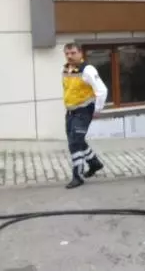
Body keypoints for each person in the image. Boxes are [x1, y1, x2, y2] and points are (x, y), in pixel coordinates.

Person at [62, 43, 108, 189]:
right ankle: (94, 163)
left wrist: (97, 110)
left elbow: (102, 90)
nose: (69, 56)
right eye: (67, 53)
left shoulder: (87, 70)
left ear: (80, 53)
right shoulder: (66, 69)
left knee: (74, 143)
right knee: (76, 140)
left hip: (83, 111)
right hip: (70, 112)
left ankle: (78, 176)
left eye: (73, 53)